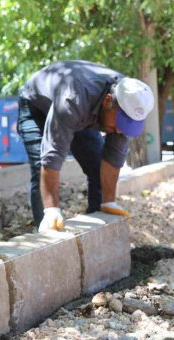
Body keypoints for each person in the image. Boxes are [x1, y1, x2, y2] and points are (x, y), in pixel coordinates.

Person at [17, 60, 154, 232]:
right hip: (35, 105)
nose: (120, 129)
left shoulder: (132, 101)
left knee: (96, 167)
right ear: (107, 100)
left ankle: (98, 225)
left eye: (127, 125)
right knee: (40, 168)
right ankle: (46, 231)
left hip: (83, 112)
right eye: (119, 122)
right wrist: (52, 209)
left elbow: (113, 156)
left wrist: (108, 202)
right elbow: (52, 155)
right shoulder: (72, 98)